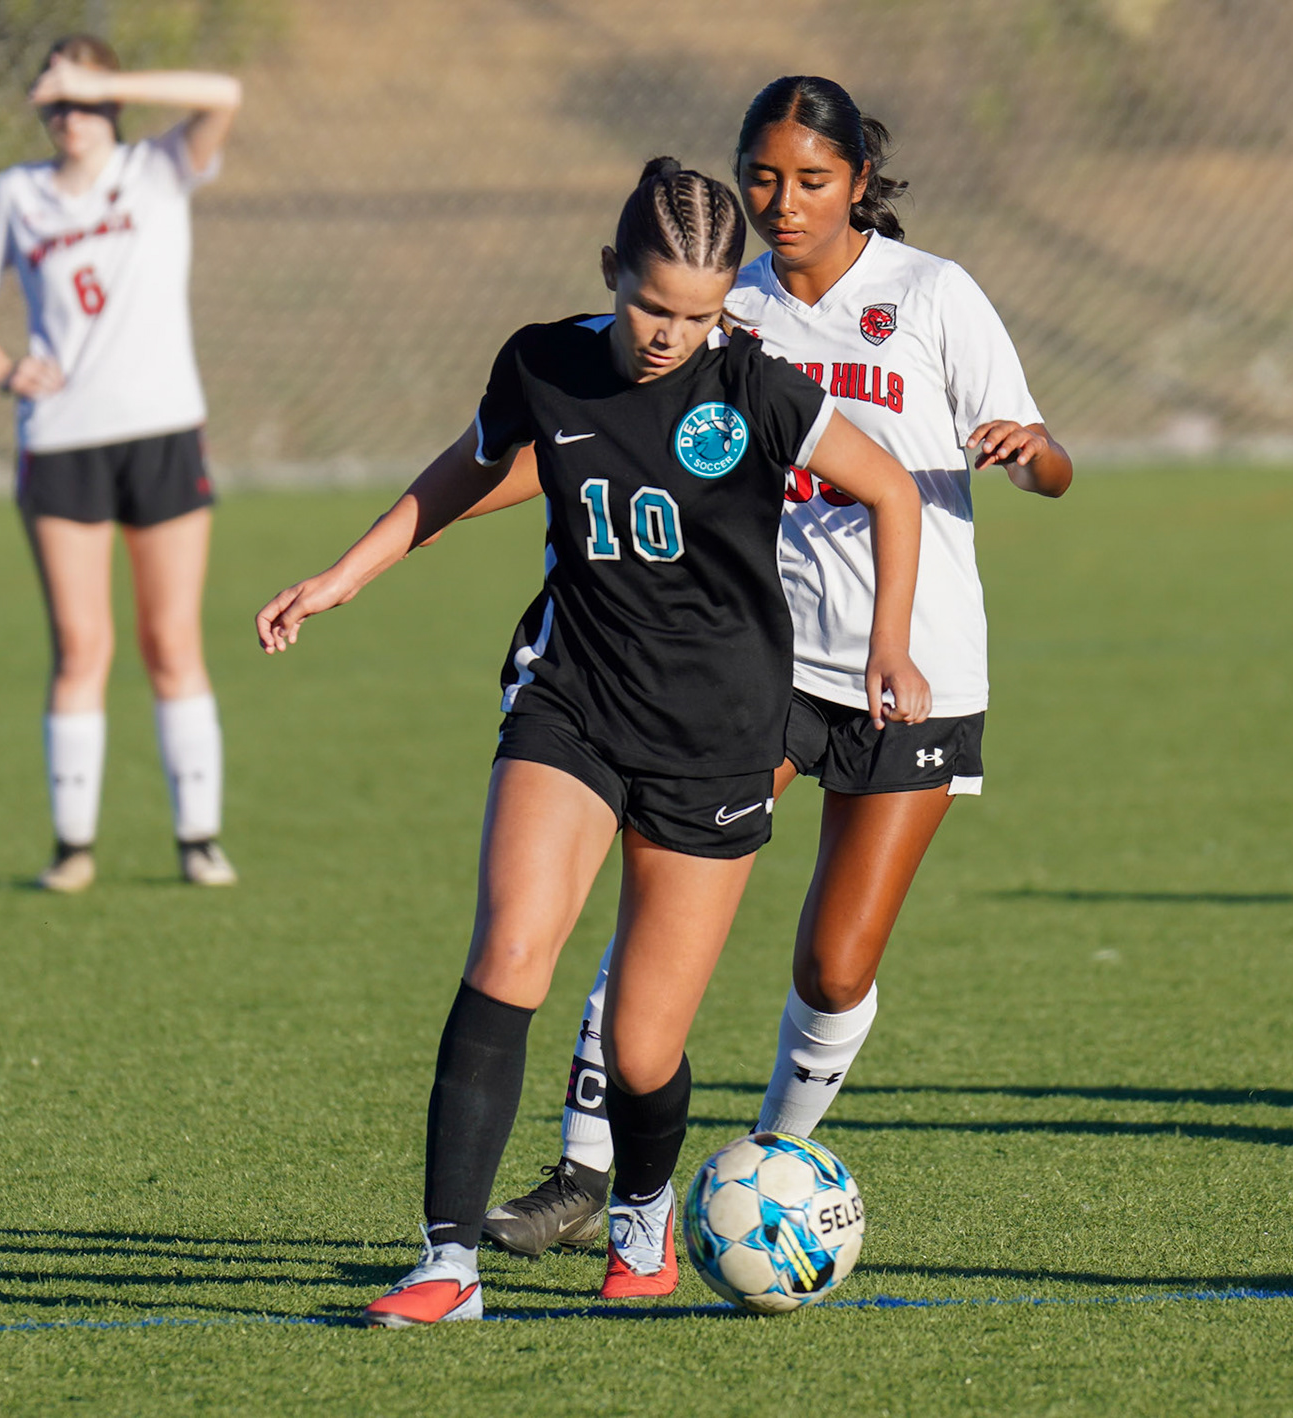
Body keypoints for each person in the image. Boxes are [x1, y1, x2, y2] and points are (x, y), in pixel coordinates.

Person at [254, 158, 926, 1326]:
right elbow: (466, 468)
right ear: (611, 271)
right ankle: (447, 1263)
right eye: (653, 305)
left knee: (642, 1044)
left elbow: (893, 491)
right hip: (574, 699)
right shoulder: (543, 361)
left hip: (717, 730)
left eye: (699, 315)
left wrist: (890, 647)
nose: (671, 335)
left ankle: (644, 1212)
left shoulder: (757, 387)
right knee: (510, 951)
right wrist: (347, 573)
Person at [476, 76, 1073, 1257]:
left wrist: (1031, 450)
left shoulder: (932, 294)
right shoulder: (723, 304)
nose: (784, 202)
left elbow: (1050, 464)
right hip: (757, 661)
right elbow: (593, 435)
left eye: (811, 179)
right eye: (763, 177)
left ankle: (766, 1170)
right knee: (662, 898)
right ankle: (584, 1170)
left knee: (836, 963)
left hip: (914, 669)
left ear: (860, 180)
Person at [0, 34, 243, 892]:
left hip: (162, 431)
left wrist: (107, 79)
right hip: (61, 439)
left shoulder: (158, 169)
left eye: (85, 97)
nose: (70, 114)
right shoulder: (19, 194)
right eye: (58, 99)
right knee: (81, 646)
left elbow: (224, 91)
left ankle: (198, 839)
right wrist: (2, 368)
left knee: (171, 639)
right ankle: (72, 848)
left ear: (112, 99)